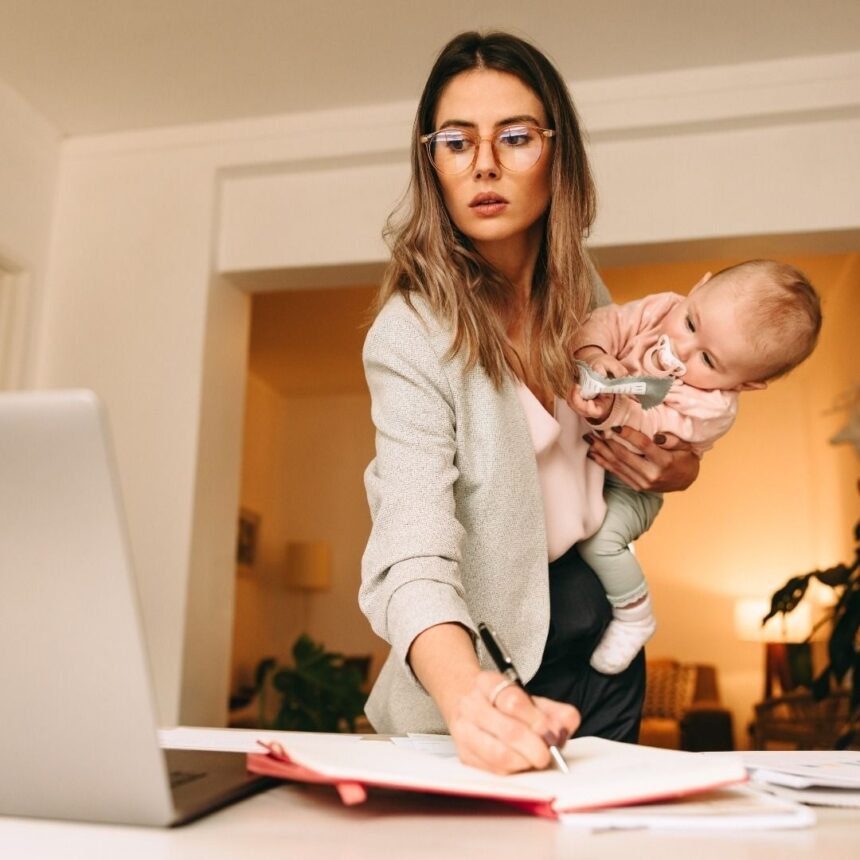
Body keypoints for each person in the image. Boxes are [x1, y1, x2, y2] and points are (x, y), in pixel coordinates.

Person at [358, 30, 699, 775]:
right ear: (433, 163)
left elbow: (622, 441)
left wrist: (670, 469)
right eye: (456, 142)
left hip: (601, 649)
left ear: (557, 155)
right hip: (481, 671)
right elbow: (410, 547)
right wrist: (465, 693)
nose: (484, 164)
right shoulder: (411, 334)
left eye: (515, 137)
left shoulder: (586, 297)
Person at [569, 260, 822, 674]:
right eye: (690, 323)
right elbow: (606, 322)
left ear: (745, 384)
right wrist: (594, 354)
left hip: (632, 486)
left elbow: (656, 425)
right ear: (697, 287)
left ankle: (635, 614)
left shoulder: (714, 406)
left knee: (600, 540)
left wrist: (613, 406)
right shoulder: (660, 309)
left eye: (707, 358)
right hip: (590, 454)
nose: (680, 350)